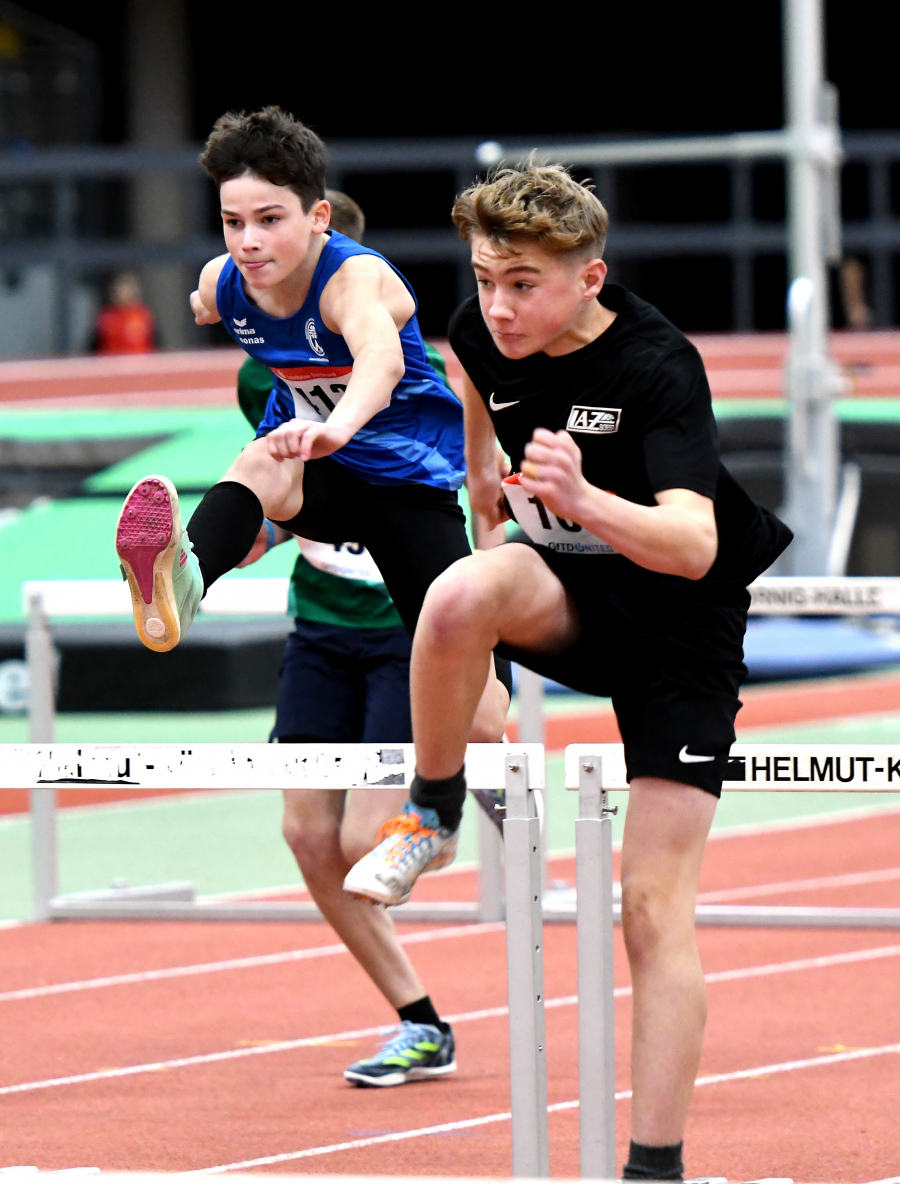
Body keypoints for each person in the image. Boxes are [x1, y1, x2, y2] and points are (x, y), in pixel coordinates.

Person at [344, 164, 791, 1179]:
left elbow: (691, 543)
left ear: (590, 277)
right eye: (486, 277)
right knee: (460, 591)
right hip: (571, 593)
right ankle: (433, 809)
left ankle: (653, 1165)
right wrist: (485, 491)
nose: (499, 306)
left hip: (680, 619)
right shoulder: (474, 329)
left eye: (525, 284)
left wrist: (582, 499)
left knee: (649, 906)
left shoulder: (657, 364)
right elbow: (478, 398)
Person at [235, 189, 462, 1086]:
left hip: (406, 628)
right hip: (322, 624)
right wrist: (246, 532)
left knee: (373, 837)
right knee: (305, 834)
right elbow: (283, 483)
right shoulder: (261, 364)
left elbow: (434, 480)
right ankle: (419, 1020)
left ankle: (451, 793)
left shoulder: (394, 353)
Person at [92, 272, 156, 354]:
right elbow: (95, 346)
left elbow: (155, 344)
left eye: (126, 288)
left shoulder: (143, 315)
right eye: (118, 289)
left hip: (139, 363)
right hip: (112, 363)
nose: (121, 293)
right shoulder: (106, 316)